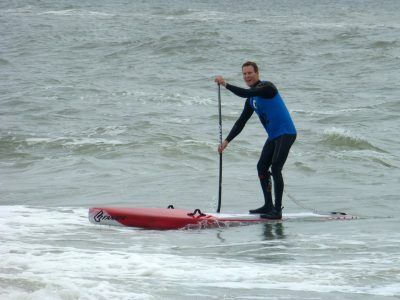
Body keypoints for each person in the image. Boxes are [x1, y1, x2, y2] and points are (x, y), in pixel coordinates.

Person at [215, 61, 296, 219]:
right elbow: (241, 122)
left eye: (250, 73)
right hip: (274, 136)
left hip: (286, 133)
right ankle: (268, 205)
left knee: (276, 168)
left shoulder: (268, 88)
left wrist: (225, 84)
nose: (247, 76)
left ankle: (277, 211)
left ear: (257, 73)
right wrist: (226, 141)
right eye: (244, 74)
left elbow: (245, 93)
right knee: (261, 167)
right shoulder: (251, 100)